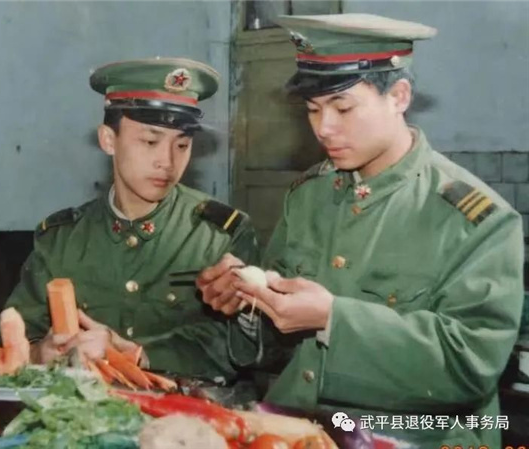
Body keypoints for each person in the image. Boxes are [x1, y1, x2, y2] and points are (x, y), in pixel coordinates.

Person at [197, 14, 524, 447]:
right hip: (302, 427)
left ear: (399, 96)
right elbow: (281, 348)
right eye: (313, 110)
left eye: (343, 108)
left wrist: (334, 319)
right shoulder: (310, 196)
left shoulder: (474, 220)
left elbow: (471, 367)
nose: (324, 128)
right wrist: (248, 302)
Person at [0, 58, 259, 381]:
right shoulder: (62, 238)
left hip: (190, 405)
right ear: (108, 140)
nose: (167, 162)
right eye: (150, 141)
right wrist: (37, 353)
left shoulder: (220, 234)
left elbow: (245, 348)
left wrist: (137, 355)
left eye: (182, 145)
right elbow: (7, 332)